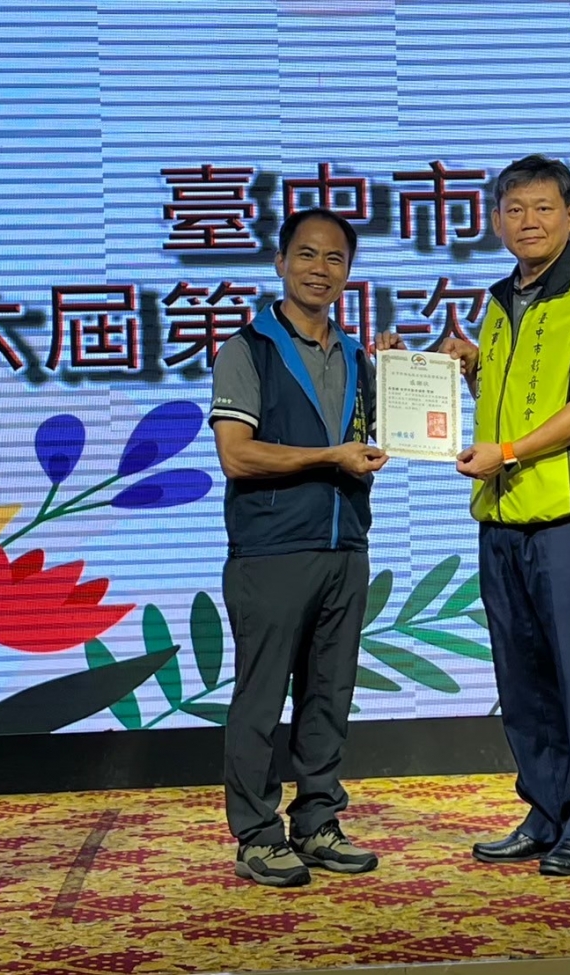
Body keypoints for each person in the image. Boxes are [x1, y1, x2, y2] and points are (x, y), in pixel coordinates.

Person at [379, 154, 570, 876]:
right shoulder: (498, 302)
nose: (529, 221)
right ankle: (546, 811)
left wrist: (511, 452)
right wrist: (457, 368)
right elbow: (509, 395)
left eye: (544, 208)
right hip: (500, 523)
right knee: (522, 684)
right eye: (515, 209)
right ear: (495, 220)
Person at [209, 207, 387, 887]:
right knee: (260, 701)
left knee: (328, 697)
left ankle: (317, 821)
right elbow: (237, 454)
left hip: (345, 547)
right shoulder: (246, 350)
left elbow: (373, 442)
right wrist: (328, 456)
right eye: (307, 255)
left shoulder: (358, 357)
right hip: (271, 551)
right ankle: (257, 834)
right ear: (280, 262)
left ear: (349, 272)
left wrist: (403, 380)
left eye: (335, 258)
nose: (320, 269)